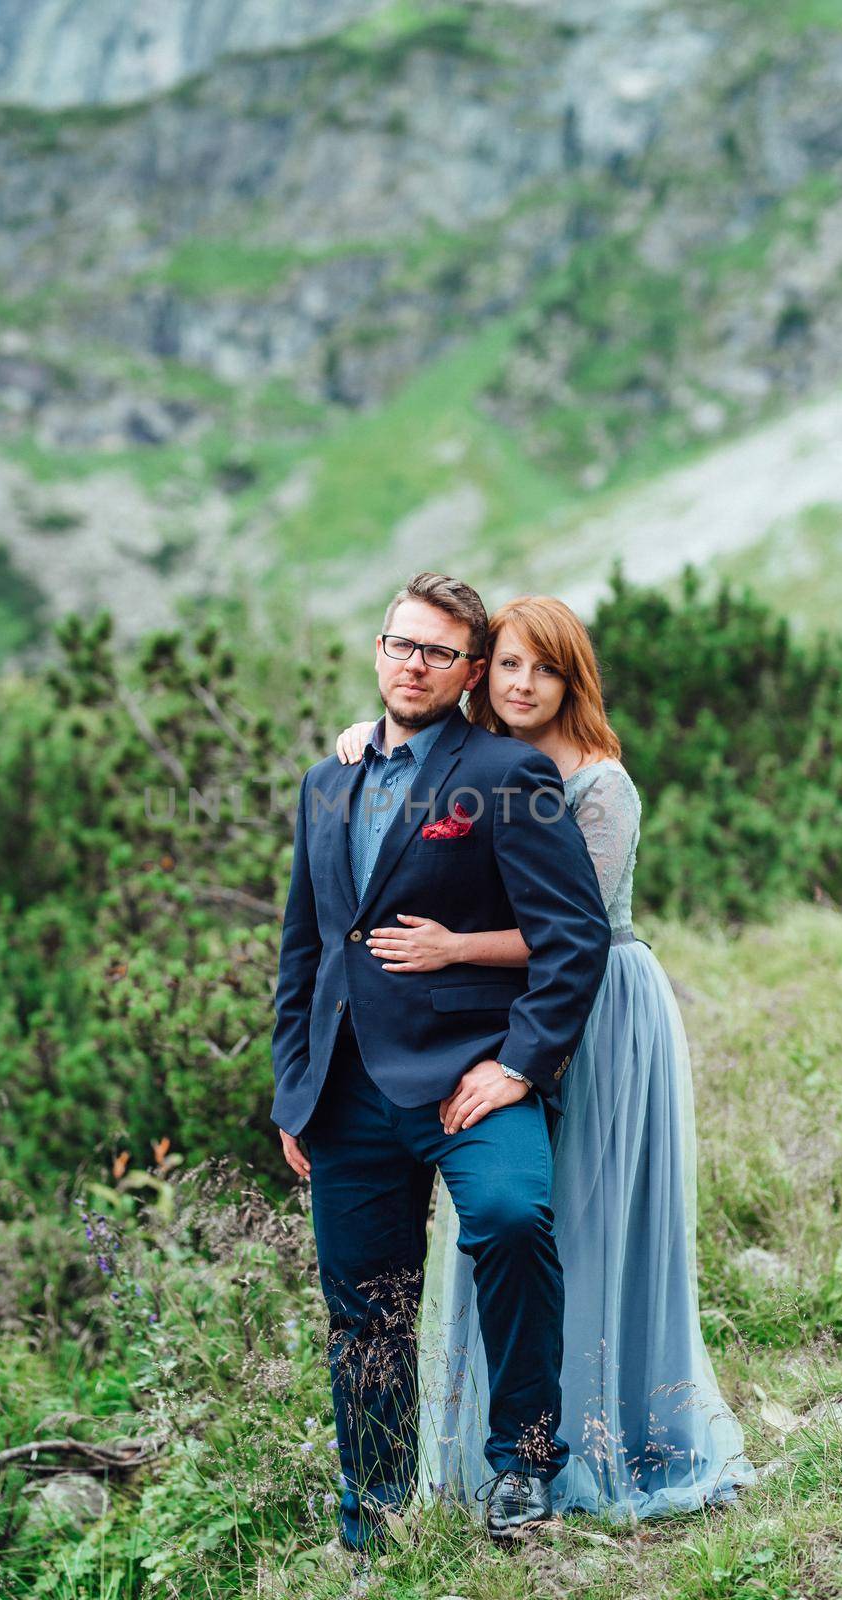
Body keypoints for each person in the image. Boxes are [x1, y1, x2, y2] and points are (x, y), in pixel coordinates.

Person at [335, 595, 755, 1522]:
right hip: (499, 1020)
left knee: (579, 1223)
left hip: (598, 1011)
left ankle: (610, 1437)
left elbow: (575, 931)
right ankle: (499, 1451)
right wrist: (367, 733)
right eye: (509, 665)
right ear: (481, 670)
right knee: (519, 1223)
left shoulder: (598, 783)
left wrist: (451, 949)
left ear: (574, 681)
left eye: (546, 669)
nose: (523, 685)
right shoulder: (474, 763)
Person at [272, 573, 611, 1552]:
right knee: (364, 1304)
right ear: (379, 650)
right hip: (343, 1088)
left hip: (473, 1070)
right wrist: (293, 1087)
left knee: (511, 1218)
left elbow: (573, 936)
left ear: (467, 671)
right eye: (400, 644)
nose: (412, 663)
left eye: (437, 651)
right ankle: (372, 1512)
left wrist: (520, 1064)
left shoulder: (508, 773)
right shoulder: (325, 780)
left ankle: (523, 1464)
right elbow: (306, 947)